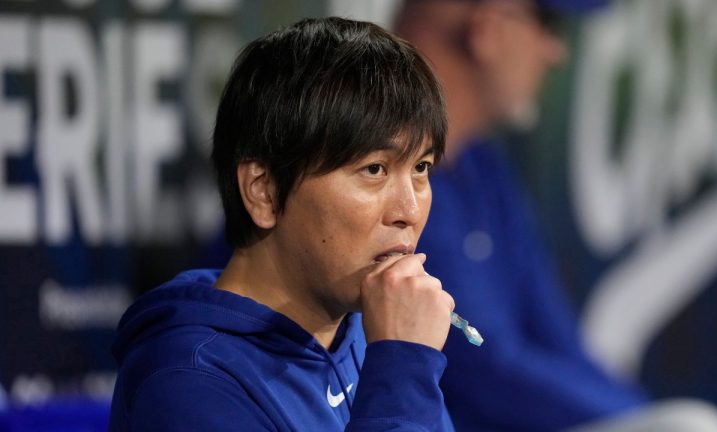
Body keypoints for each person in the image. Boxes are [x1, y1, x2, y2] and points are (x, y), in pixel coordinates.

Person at [108, 16, 455, 431]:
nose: (409, 210)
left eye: (421, 167)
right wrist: (402, 367)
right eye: (374, 169)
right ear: (264, 192)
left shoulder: (374, 335)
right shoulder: (187, 383)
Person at [394, 1, 648, 431]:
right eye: (548, 23)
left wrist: (651, 418)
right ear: (486, 30)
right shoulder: (374, 179)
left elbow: (555, 336)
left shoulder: (479, 165)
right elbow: (489, 367)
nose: (556, 52)